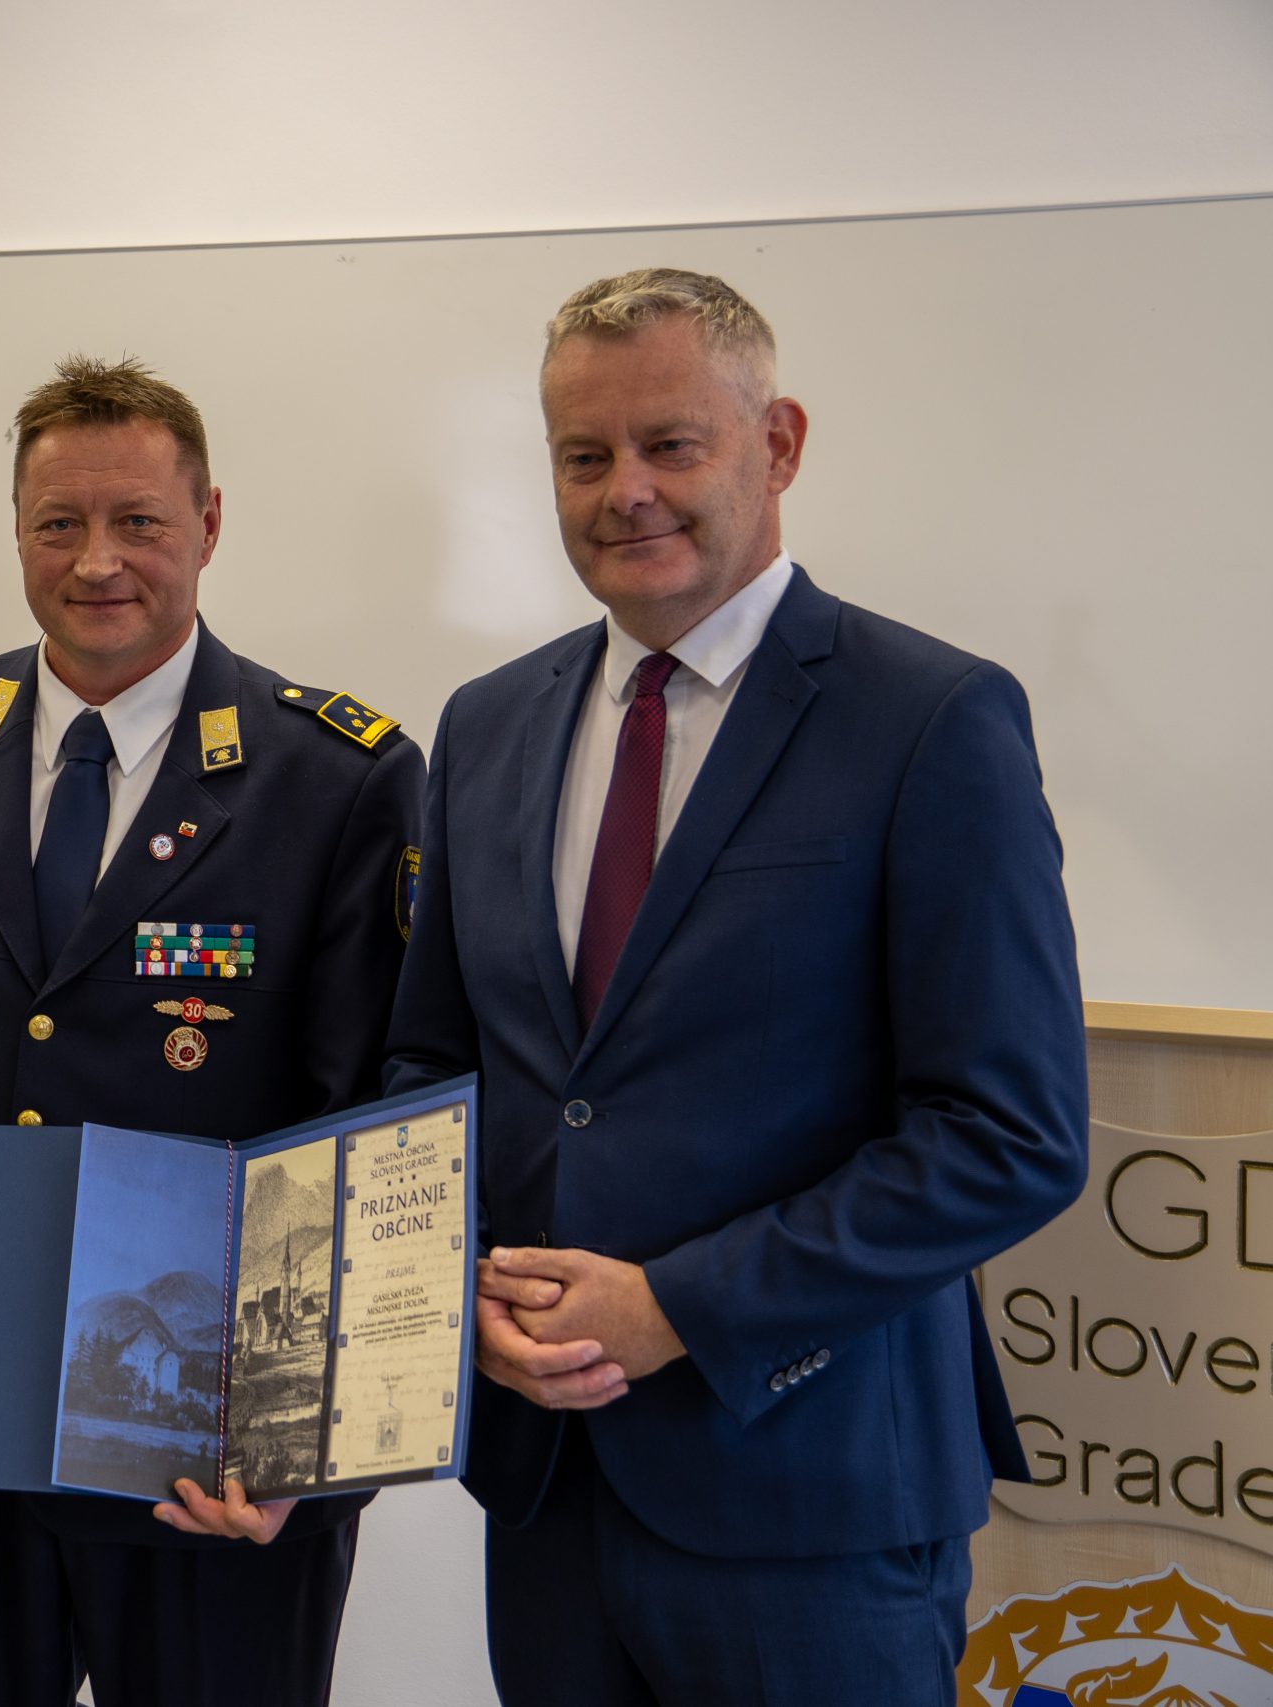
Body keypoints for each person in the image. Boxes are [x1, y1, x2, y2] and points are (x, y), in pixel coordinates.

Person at [383, 268, 1089, 1702]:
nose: (625, 491)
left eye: (670, 444)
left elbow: (1008, 1134)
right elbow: (432, 1067)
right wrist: (453, 1290)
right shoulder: (488, 723)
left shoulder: (931, 718)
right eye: (584, 456)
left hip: (814, 1501)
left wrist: (681, 1306)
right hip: (547, 1493)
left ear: (779, 444)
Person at [0, 356, 425, 1706]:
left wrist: (306, 1448)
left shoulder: (336, 776)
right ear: (17, 532)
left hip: (204, 1449)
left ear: (208, 522)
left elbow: (362, 1129)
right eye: (58, 523)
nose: (96, 562)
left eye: (138, 520)